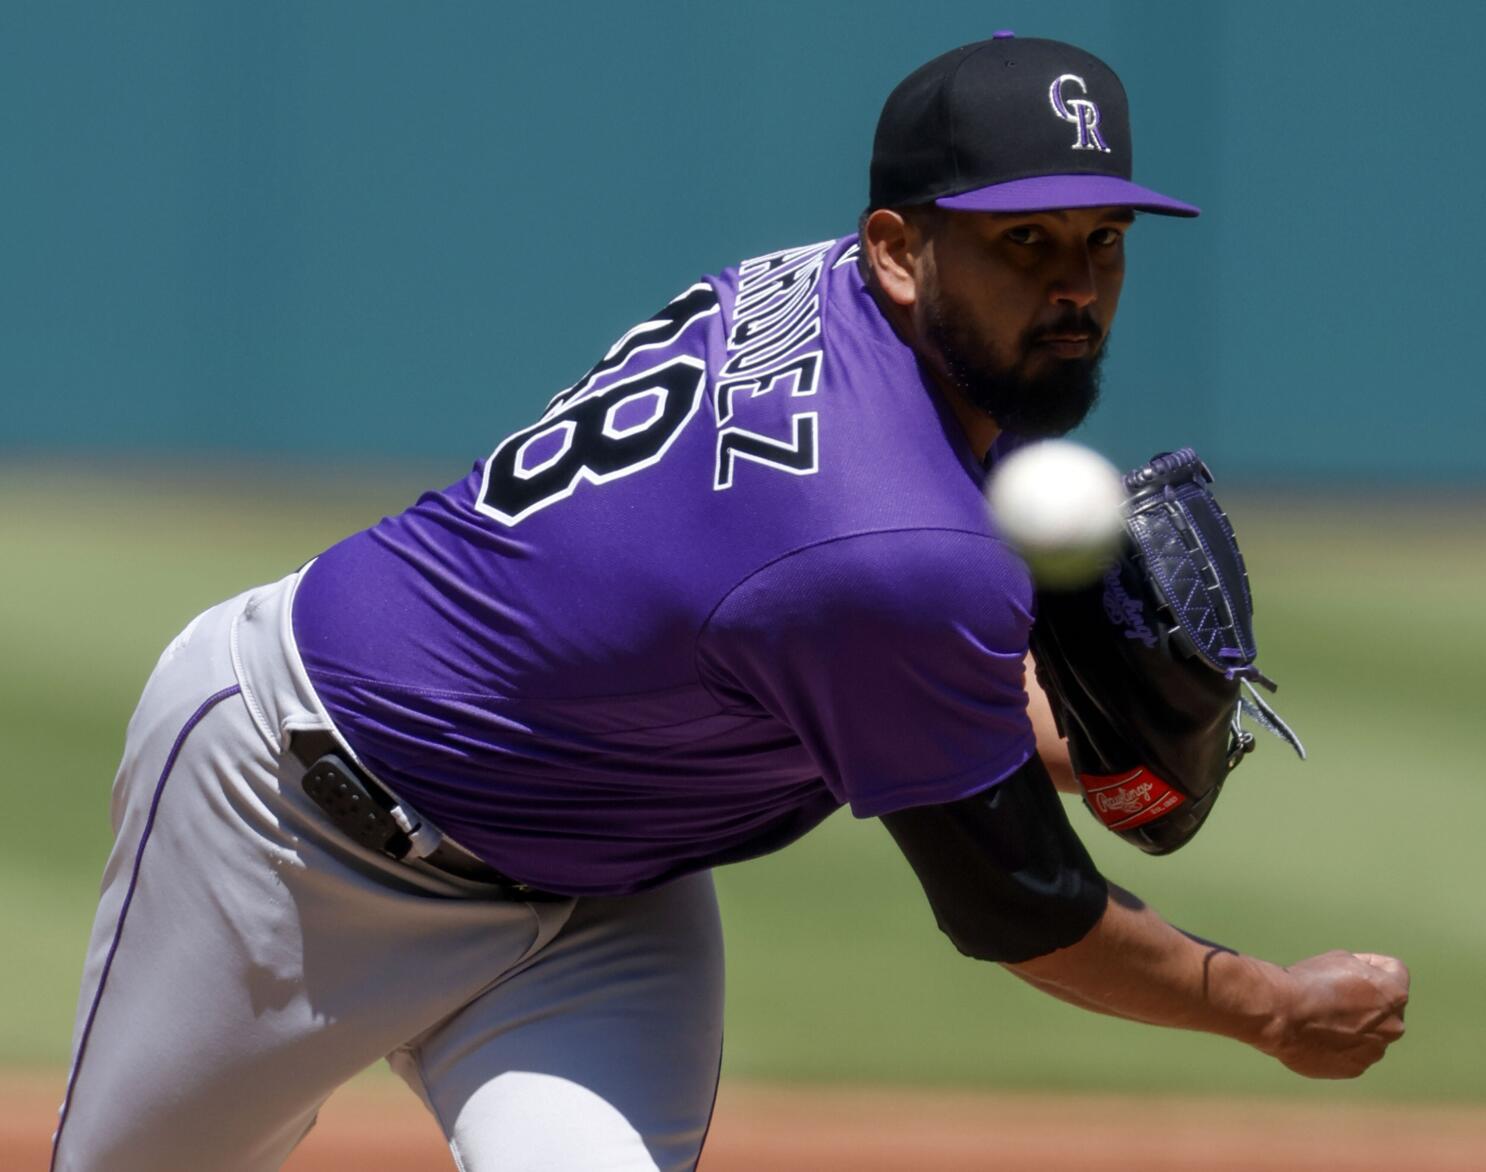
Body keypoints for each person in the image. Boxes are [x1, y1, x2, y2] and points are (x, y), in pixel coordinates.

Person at [52, 33, 1408, 1172]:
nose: (1073, 287)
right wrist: (1268, 1008)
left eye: (1101, 242)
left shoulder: (811, 289)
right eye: (1023, 243)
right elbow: (1018, 912)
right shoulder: (883, 548)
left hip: (598, 898)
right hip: (292, 821)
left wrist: (1016, 711)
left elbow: (810, 623)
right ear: (897, 247)